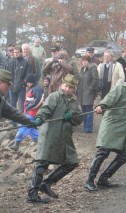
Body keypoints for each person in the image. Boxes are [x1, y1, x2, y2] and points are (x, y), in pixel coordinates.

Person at [84, 71, 126, 191]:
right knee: (103, 152)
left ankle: (103, 179)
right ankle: (89, 180)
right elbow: (108, 100)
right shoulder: (120, 89)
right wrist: (101, 106)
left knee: (124, 155)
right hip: (112, 125)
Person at [27, 74, 82, 203]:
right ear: (62, 84)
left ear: (74, 89)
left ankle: (46, 184)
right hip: (50, 135)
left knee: (71, 163)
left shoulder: (74, 102)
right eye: (66, 86)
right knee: (42, 164)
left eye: (71, 87)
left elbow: (79, 119)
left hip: (65, 138)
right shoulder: (54, 96)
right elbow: (46, 109)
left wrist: (72, 115)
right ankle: (32, 195)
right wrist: (40, 118)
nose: (68, 89)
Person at [10, 73, 43, 151]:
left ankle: (16, 144)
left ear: (31, 81)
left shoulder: (37, 89)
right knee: (31, 129)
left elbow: (38, 101)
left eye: (28, 82)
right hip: (28, 111)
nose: (27, 84)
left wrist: (29, 107)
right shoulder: (32, 87)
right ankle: (40, 142)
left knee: (23, 126)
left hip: (32, 113)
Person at [5, 46, 32, 113]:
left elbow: (28, 75)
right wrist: (9, 83)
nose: (15, 54)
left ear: (21, 53)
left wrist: (24, 84)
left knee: (21, 106)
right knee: (12, 106)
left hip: (21, 88)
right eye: (14, 52)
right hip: (11, 87)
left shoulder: (26, 63)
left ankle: (21, 122)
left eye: (17, 52)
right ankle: (12, 122)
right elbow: (6, 73)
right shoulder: (10, 62)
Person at [76, 55, 99, 133]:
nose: (84, 62)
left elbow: (95, 79)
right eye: (83, 61)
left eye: (85, 61)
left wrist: (91, 89)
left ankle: (89, 128)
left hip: (88, 93)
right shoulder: (82, 69)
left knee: (89, 111)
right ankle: (84, 127)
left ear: (89, 62)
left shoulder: (93, 68)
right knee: (83, 111)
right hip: (81, 93)